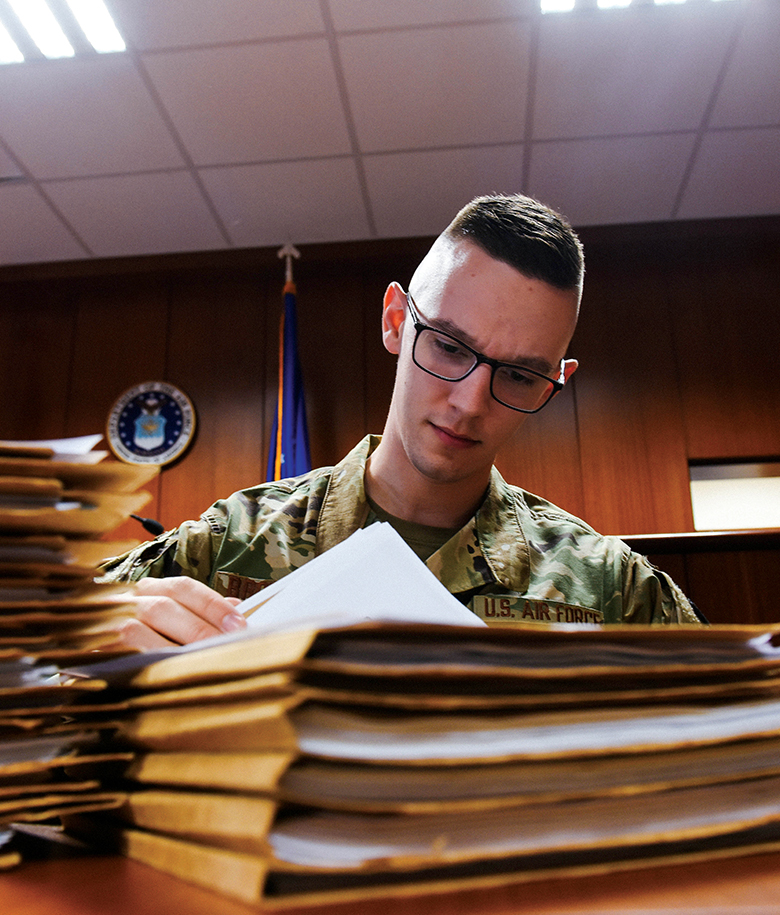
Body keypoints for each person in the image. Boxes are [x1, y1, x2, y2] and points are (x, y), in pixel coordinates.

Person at [100, 193, 701, 649]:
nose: (469, 402)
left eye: (518, 376)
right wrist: (96, 633)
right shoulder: (234, 543)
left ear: (555, 381)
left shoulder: (613, 591)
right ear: (395, 320)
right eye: (447, 345)